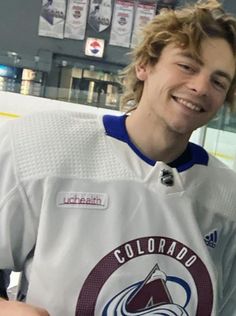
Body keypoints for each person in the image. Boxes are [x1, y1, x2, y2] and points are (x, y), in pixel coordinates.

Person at [1, 0, 236, 314]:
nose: (200, 87)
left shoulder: (228, 197)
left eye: (218, 81)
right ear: (144, 65)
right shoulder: (42, 148)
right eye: (187, 66)